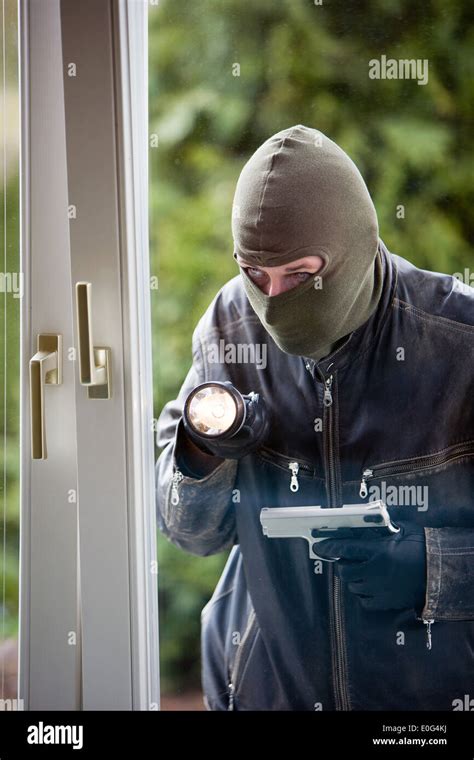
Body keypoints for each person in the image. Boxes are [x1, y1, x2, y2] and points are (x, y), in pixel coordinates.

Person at [155, 124, 474, 711]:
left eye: (300, 275)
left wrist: (432, 568)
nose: (274, 301)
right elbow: (188, 533)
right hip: (268, 694)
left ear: (354, 245)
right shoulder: (231, 328)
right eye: (255, 273)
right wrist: (203, 454)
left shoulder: (459, 346)